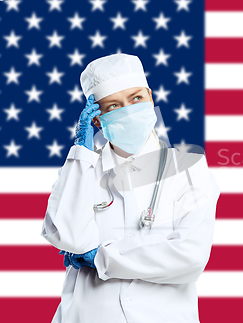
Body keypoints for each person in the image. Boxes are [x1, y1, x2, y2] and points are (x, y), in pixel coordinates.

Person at [40, 53, 221, 323]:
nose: (128, 110)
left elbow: (189, 257)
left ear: (150, 97)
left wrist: (101, 257)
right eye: (113, 106)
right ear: (97, 120)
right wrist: (81, 153)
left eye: (136, 98)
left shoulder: (189, 168)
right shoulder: (83, 169)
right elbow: (67, 236)